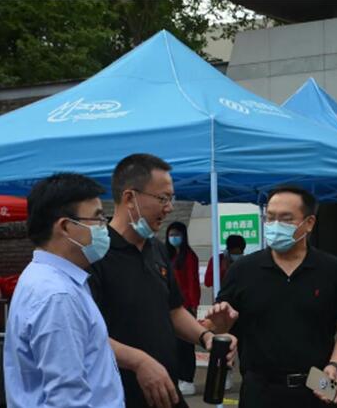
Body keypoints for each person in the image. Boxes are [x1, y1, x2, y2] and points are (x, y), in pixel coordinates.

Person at [89, 153, 236, 408]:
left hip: (166, 392)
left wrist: (206, 337)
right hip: (119, 396)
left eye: (171, 199)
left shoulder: (157, 249)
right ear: (129, 198)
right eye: (163, 198)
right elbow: (85, 335)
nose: (169, 208)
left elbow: (173, 310)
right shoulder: (95, 255)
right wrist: (139, 362)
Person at [205, 185, 337, 408]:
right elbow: (220, 325)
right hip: (260, 386)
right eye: (270, 218)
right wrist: (219, 326)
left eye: (286, 219)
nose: (275, 225)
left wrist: (335, 365)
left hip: (320, 380)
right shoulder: (243, 270)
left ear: (309, 223)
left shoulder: (332, 269)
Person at [3, 173, 124, 407]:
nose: (105, 227)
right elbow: (67, 399)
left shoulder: (47, 279)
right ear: (66, 227)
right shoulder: (57, 296)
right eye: (98, 219)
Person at [165, 221, 200, 396]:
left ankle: (187, 378)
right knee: (173, 345)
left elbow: (193, 282)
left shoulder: (189, 256)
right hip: (168, 306)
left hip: (185, 306)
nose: (173, 238)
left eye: (177, 234)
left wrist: (193, 305)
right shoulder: (166, 255)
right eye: (171, 234)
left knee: (186, 344)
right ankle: (177, 377)